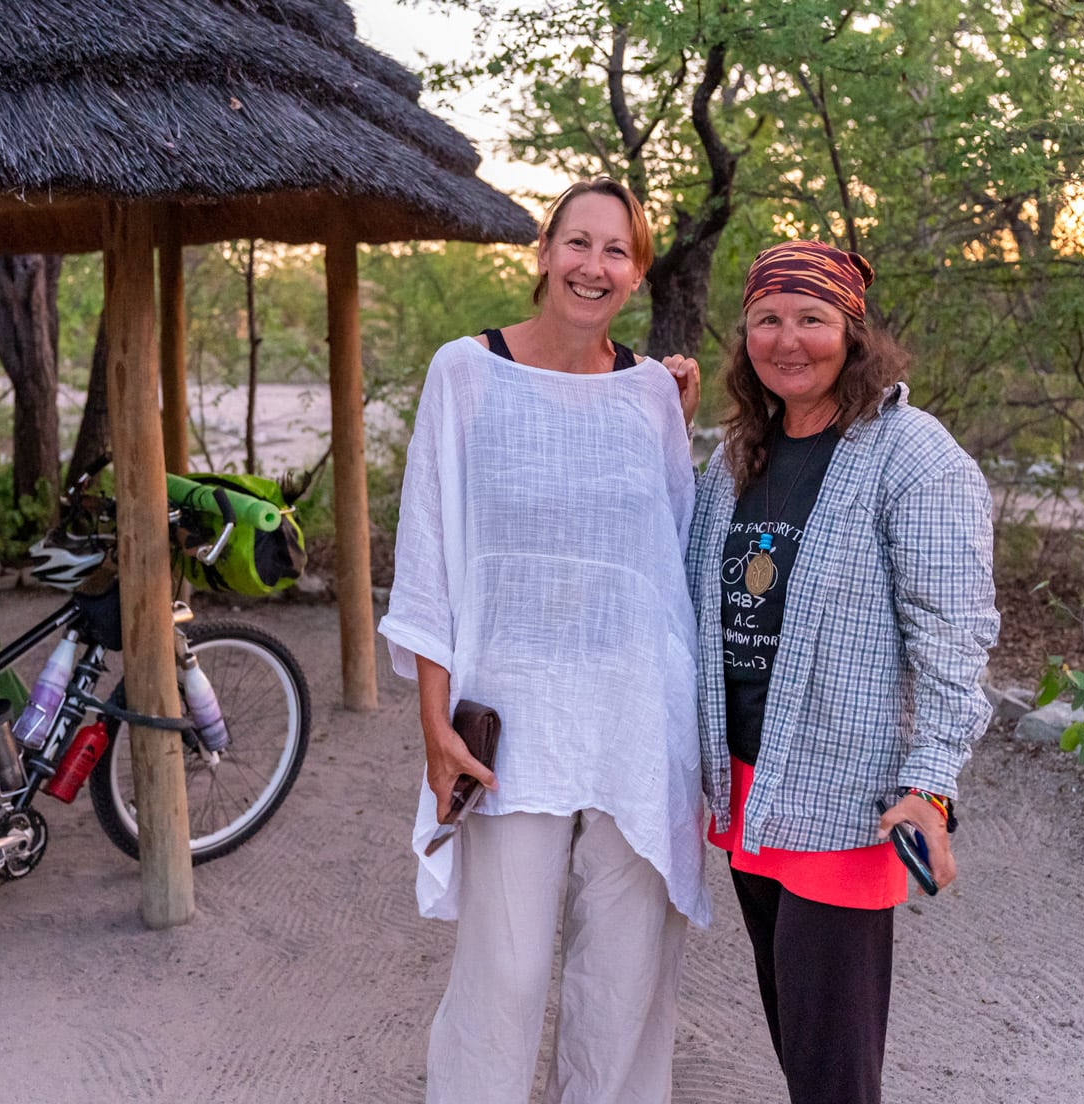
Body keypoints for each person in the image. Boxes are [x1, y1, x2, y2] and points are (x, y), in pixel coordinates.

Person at [379, 178, 706, 1104]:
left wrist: (670, 414)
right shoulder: (465, 372)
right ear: (544, 253)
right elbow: (431, 557)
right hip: (511, 718)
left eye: (616, 251)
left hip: (637, 718)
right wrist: (432, 727)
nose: (592, 266)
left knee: (625, 974)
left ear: (637, 274)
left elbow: (665, 559)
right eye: (578, 243)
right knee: (506, 970)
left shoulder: (649, 397)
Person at [688, 239, 1001, 1104]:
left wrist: (929, 781)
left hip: (846, 796)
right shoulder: (735, 455)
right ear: (745, 335)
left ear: (853, 332)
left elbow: (955, 636)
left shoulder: (913, 457)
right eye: (768, 319)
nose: (790, 339)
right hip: (750, 787)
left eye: (813, 319)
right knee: (797, 1032)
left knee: (831, 1064)